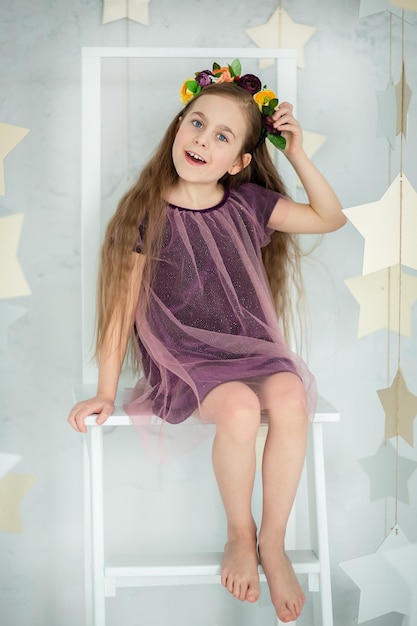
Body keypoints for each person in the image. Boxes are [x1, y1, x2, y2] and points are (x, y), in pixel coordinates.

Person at [68, 60, 346, 623]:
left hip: (250, 350)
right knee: (241, 409)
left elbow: (329, 217)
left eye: (222, 136)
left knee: (291, 394)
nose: (202, 140)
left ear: (240, 161)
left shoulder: (247, 204)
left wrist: (296, 152)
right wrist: (103, 390)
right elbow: (121, 312)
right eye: (196, 123)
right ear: (177, 126)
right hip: (187, 361)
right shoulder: (143, 214)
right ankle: (239, 535)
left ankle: (275, 540)